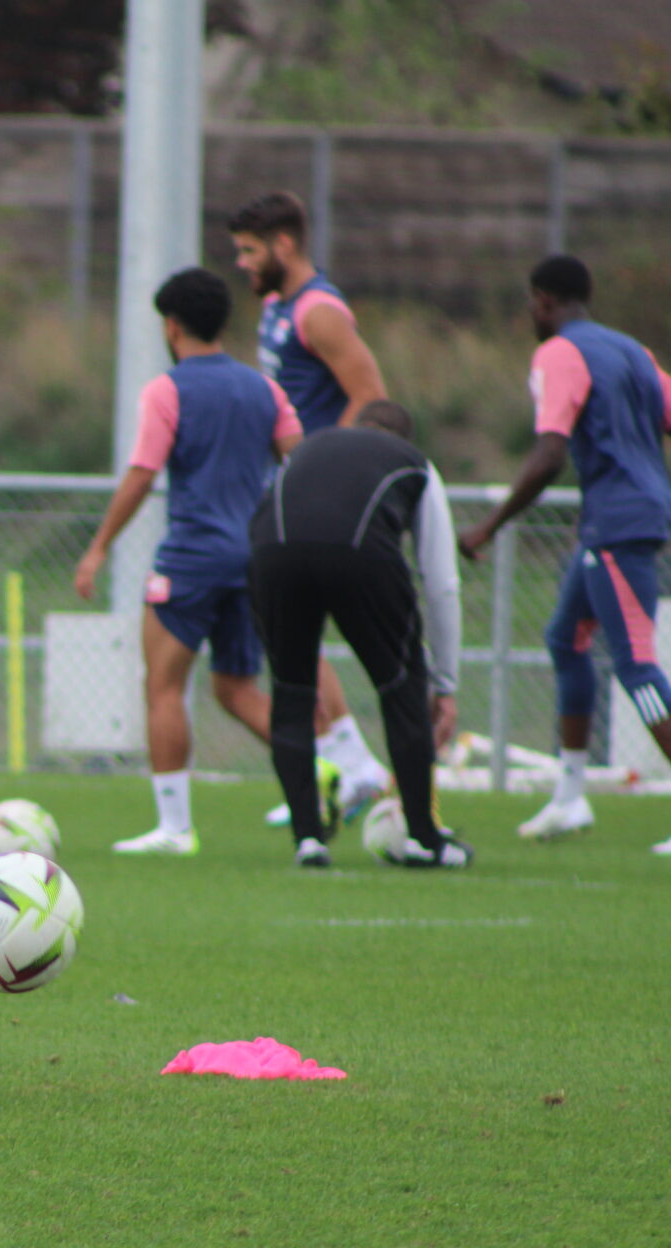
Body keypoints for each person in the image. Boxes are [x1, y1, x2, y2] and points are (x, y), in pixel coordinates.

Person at [460, 255, 671, 856]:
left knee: (636, 665)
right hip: (625, 522)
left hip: (616, 526)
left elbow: (548, 455)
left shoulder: (559, 353)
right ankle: (569, 796)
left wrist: (488, 525)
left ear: (542, 301)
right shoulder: (633, 351)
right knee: (566, 639)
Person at [73, 267, 304, 855]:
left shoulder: (167, 390)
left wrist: (99, 547)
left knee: (164, 686)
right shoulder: (265, 389)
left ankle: (175, 828)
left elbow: (142, 476)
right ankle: (319, 773)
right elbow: (300, 464)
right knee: (238, 690)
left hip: (192, 558)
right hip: (254, 559)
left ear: (171, 326)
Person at [229, 191, 394, 816]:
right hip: (290, 486)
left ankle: (356, 767)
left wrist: (318, 468)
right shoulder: (276, 306)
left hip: (315, 493)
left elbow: (371, 394)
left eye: (249, 251)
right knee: (289, 631)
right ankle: (348, 766)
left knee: (294, 626)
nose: (243, 263)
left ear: (285, 244)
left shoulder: (319, 311)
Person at [250, 400, 469, 869]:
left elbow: (268, 508)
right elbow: (442, 582)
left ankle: (308, 839)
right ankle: (424, 840)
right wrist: (445, 685)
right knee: (400, 687)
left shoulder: (308, 447)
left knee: (291, 693)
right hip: (359, 554)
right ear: (402, 439)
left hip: (273, 552)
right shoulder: (415, 464)